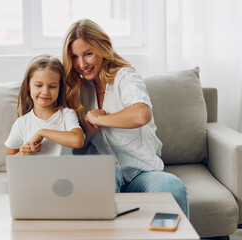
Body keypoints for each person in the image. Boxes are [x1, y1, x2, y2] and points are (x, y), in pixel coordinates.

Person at [62, 19, 189, 217]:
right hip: (104, 176)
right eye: (75, 57)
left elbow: (141, 114)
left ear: (104, 47)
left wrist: (100, 119)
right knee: (105, 174)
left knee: (171, 186)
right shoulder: (78, 91)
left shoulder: (125, 77)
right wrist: (88, 131)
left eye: (88, 54)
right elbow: (76, 148)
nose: (81, 64)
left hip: (142, 173)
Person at [5, 55, 84, 157]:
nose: (45, 92)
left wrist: (42, 132)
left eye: (52, 86)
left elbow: (77, 141)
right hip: (34, 173)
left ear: (60, 88)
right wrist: (21, 154)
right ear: (28, 85)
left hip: (63, 172)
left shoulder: (67, 114)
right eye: (38, 85)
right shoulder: (22, 123)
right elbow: (9, 157)